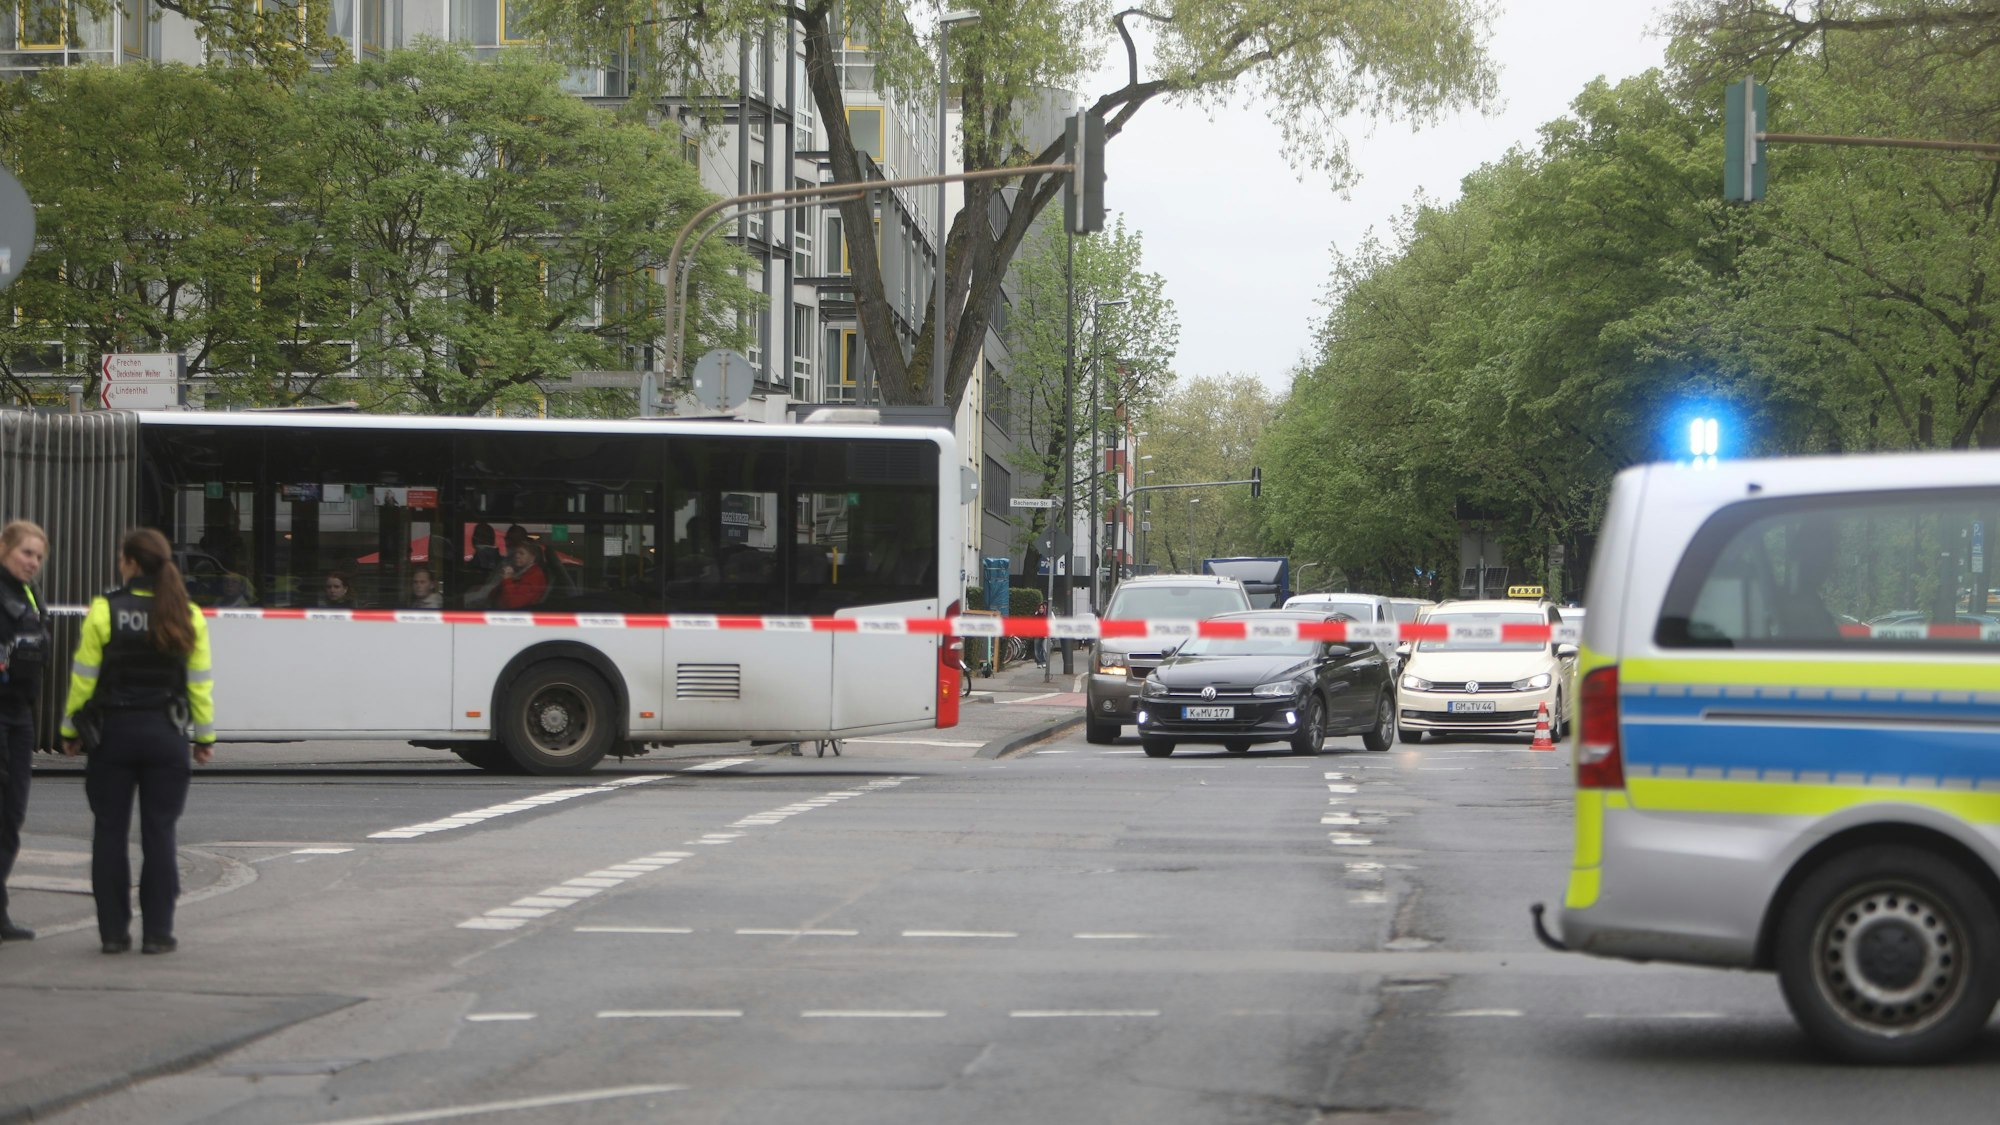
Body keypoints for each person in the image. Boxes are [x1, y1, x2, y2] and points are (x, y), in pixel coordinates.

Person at [59, 528, 216, 955]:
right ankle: (159, 933)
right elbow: (199, 684)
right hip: (166, 736)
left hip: (114, 735)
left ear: (129, 562)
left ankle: (113, 934)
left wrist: (71, 730)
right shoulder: (188, 613)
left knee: (109, 833)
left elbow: (83, 681)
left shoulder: (104, 610)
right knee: (160, 834)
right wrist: (204, 737)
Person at [0, 520, 50, 943]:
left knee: (11, 817)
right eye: (25, 553)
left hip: (19, 716)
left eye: (37, 555)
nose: (32, 562)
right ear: (4, 549)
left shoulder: (29, 595)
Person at [471, 539, 548, 609]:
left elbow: (513, 604)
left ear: (533, 557)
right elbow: (495, 594)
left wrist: (507, 580)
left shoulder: (534, 576)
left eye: (521, 553)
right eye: (516, 553)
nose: (517, 556)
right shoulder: (522, 571)